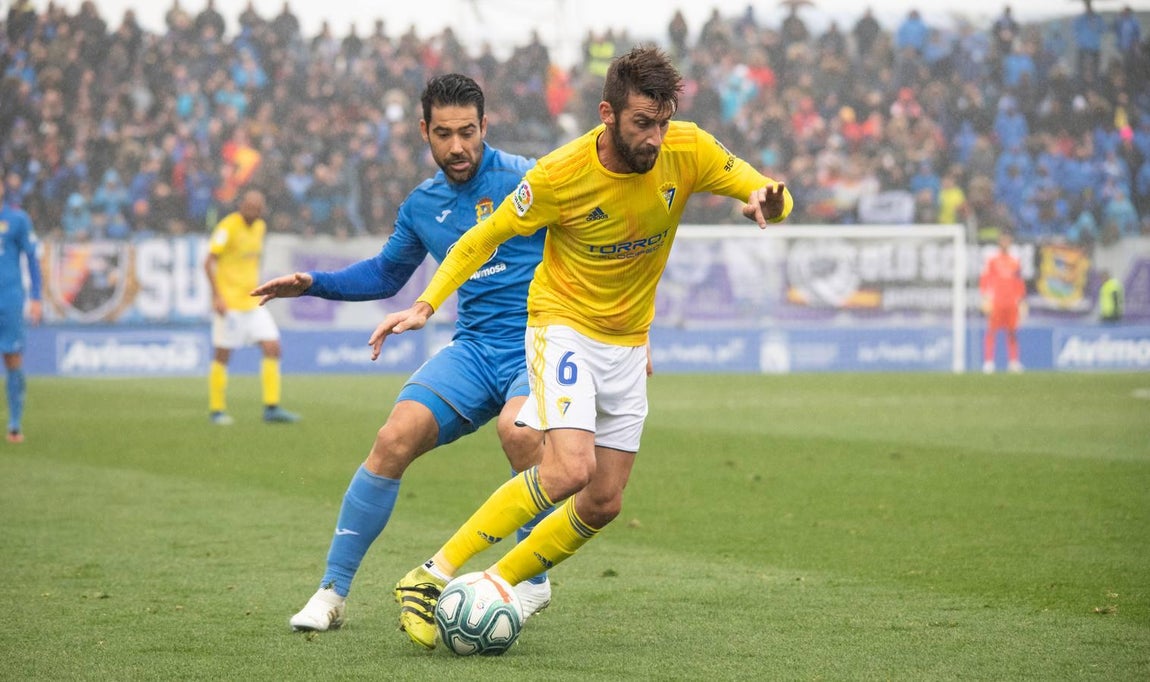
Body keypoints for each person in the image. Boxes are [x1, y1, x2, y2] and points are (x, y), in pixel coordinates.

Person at [372, 46, 792, 650]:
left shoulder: (688, 149)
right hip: (561, 323)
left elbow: (767, 190)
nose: (655, 137)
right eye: (642, 123)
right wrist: (426, 303)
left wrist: (771, 203)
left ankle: (496, 584)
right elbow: (478, 240)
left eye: (663, 121)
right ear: (607, 114)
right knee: (569, 468)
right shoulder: (558, 176)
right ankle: (431, 576)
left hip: (627, 342)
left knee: (603, 501)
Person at [249, 74, 553, 632]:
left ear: (485, 126)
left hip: (540, 342)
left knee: (520, 432)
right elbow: (388, 273)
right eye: (444, 134)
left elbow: (590, 236)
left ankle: (530, 579)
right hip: (476, 349)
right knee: (392, 438)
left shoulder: (529, 178)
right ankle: (331, 593)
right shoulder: (423, 205)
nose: (457, 146)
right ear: (424, 132)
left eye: (468, 132)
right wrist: (312, 282)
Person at [203, 189, 299, 425]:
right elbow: (208, 262)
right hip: (229, 304)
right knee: (223, 354)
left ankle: (271, 407)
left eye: (258, 208)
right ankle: (216, 410)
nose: (254, 212)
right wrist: (217, 297)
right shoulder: (227, 227)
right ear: (241, 206)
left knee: (273, 347)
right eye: (250, 207)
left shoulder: (260, 228)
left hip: (252, 301)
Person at [0, 178, 42, 443]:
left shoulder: (17, 219)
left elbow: (32, 259)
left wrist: (36, 297)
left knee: (12, 358)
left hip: (9, 299)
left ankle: (14, 424)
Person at [979, 231, 1026, 374]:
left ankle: (1013, 362)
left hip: (1011, 303)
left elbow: (1019, 283)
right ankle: (988, 362)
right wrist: (986, 298)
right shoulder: (993, 261)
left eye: (1007, 240)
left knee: (1012, 332)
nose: (1005, 243)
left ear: (1010, 242)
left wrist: (1021, 301)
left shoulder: (1015, 262)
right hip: (997, 302)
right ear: (999, 242)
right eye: (1003, 240)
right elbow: (985, 280)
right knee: (991, 332)